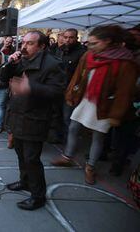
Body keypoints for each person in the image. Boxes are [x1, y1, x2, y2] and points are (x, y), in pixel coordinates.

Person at [51, 25, 138, 184]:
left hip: (105, 105)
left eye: (94, 43)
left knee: (98, 137)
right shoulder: (89, 55)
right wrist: (71, 93)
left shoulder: (124, 62)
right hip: (85, 99)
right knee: (73, 127)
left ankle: (90, 167)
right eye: (89, 43)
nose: (90, 46)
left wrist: (116, 114)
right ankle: (68, 157)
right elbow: (78, 76)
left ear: (107, 41)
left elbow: (124, 92)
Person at [2, 30, 66, 210]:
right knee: (20, 152)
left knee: (31, 158)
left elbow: (57, 92)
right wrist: (9, 64)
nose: (24, 46)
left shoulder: (53, 64)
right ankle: (25, 181)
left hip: (35, 118)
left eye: (30, 43)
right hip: (17, 114)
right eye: (23, 43)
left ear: (42, 46)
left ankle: (38, 196)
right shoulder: (21, 59)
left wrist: (31, 87)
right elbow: (2, 79)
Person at [48, 28, 87, 143]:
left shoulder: (82, 53)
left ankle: (68, 142)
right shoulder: (58, 50)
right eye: (65, 37)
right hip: (56, 88)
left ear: (76, 38)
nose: (68, 40)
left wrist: (76, 88)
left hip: (71, 90)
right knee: (56, 114)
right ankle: (56, 137)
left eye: (71, 37)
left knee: (67, 117)